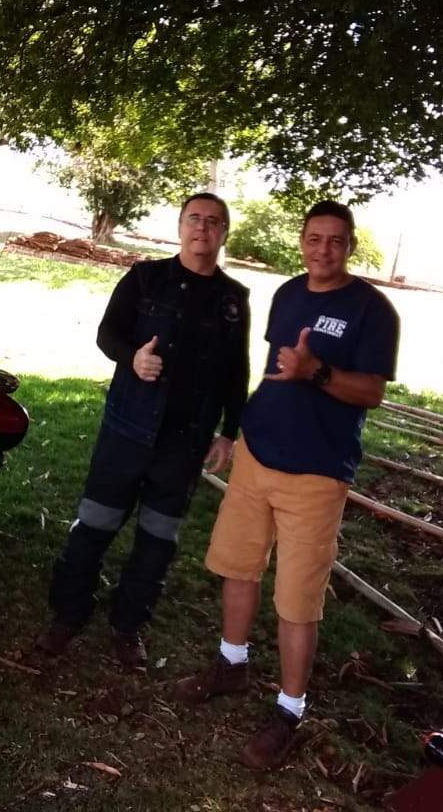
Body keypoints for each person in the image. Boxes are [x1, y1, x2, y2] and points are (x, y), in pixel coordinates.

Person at [174, 200, 400, 770]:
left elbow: (372, 392)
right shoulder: (288, 293)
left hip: (317, 472)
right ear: (301, 241)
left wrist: (316, 372)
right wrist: (238, 430)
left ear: (350, 246)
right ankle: (231, 663)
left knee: (297, 597)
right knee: (238, 564)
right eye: (314, 238)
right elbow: (274, 372)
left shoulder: (373, 310)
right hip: (257, 453)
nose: (323, 249)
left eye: (335, 240)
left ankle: (289, 709)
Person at [33, 194, 251, 668]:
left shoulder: (233, 299)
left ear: (223, 233)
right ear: (180, 226)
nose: (202, 228)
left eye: (213, 222)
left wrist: (229, 431)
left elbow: (237, 371)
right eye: (194, 219)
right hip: (128, 429)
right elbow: (107, 334)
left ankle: (128, 626)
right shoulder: (144, 278)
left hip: (184, 442)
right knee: (94, 526)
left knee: (157, 542)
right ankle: (68, 615)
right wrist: (132, 357)